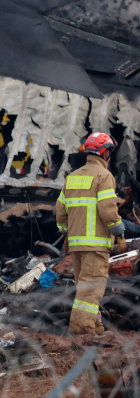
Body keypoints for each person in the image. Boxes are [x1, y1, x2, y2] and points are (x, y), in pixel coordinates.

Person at [56, 133, 125, 336]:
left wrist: (66, 233)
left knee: (85, 290)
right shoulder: (104, 176)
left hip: (76, 246)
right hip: (95, 246)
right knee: (91, 290)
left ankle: (95, 327)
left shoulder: (72, 177)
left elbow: (60, 211)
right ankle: (82, 332)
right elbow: (108, 209)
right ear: (105, 153)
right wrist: (119, 234)